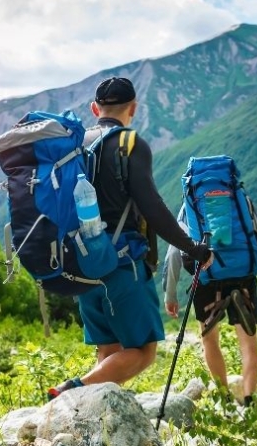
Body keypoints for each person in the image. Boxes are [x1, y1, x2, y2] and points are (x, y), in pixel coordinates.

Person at [48, 77, 213, 399]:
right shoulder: (129, 144)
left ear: (95, 108)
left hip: (82, 264)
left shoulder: (75, 146)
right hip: (122, 264)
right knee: (142, 351)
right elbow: (151, 206)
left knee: (109, 351)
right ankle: (71, 391)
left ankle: (94, 419)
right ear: (133, 108)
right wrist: (192, 248)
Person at [163, 204, 257, 407]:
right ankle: (249, 401)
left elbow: (174, 251)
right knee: (249, 344)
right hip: (243, 275)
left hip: (207, 275)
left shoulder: (190, 201)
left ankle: (225, 398)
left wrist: (170, 294)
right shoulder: (241, 198)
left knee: (210, 340)